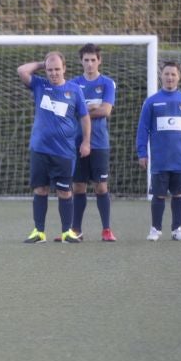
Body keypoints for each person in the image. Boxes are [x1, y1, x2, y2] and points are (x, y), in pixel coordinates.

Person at [17, 52, 91, 243]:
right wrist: (43, 63)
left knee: (65, 192)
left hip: (64, 152)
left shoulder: (74, 90)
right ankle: (39, 232)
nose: (53, 73)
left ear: (64, 69)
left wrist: (86, 141)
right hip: (40, 150)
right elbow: (21, 70)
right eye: (50, 70)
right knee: (40, 190)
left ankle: (67, 231)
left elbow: (84, 117)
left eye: (57, 69)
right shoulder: (40, 85)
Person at [136, 61, 181, 241]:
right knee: (158, 195)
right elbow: (143, 129)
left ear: (179, 76)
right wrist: (142, 153)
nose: (170, 77)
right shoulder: (152, 102)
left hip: (180, 159)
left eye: (173, 74)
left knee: (179, 194)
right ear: (161, 76)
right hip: (159, 160)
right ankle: (155, 229)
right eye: (166, 74)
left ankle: (177, 229)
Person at [68, 43, 117, 242]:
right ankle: (76, 230)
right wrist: (92, 108)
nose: (89, 64)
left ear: (99, 61)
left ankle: (106, 229)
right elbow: (68, 111)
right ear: (81, 61)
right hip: (76, 143)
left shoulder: (107, 83)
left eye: (93, 60)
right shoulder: (72, 84)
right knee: (78, 187)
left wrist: (82, 110)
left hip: (99, 143)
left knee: (101, 187)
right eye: (86, 60)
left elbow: (106, 110)